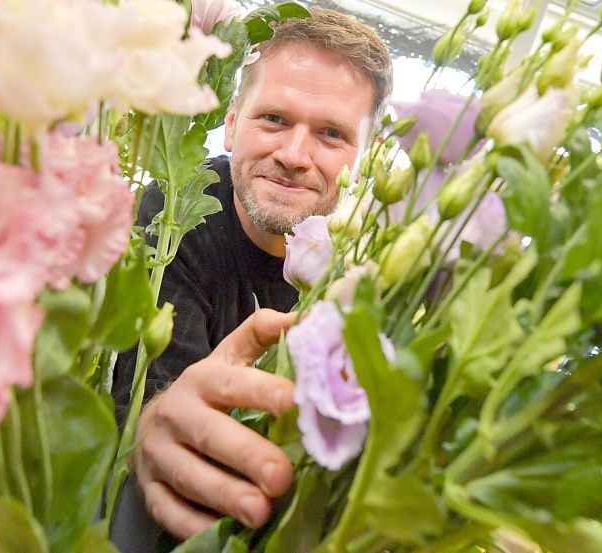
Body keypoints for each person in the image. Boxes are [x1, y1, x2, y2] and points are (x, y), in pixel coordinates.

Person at [111, 6, 393, 545]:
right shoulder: (169, 216)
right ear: (232, 123)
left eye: (331, 133)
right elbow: (148, 405)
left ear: (366, 157)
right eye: (274, 119)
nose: (294, 155)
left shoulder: (369, 263)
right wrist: (158, 425)